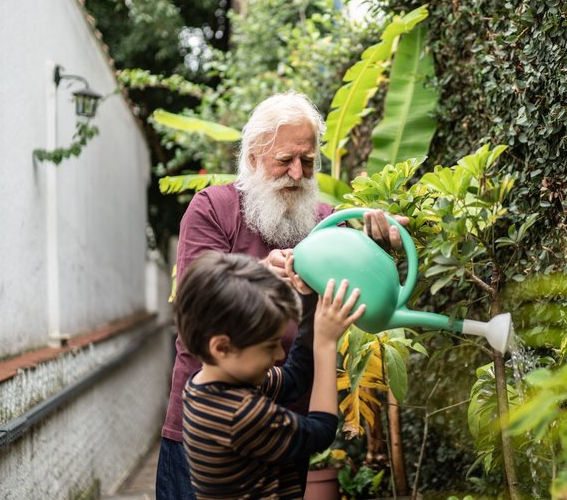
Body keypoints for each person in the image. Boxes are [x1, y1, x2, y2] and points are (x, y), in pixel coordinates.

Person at [155, 91, 404, 499]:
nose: (297, 173)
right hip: (205, 438)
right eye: (284, 160)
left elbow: (361, 297)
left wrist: (380, 246)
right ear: (252, 157)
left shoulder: (326, 223)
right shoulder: (213, 209)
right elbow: (194, 304)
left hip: (285, 419)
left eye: (307, 161)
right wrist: (260, 274)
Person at [176, 251, 364, 499]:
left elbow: (294, 378)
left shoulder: (204, 384)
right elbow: (320, 431)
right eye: (269, 346)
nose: (278, 355)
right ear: (221, 347)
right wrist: (326, 343)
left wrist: (307, 300)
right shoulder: (240, 414)